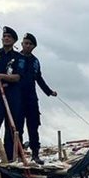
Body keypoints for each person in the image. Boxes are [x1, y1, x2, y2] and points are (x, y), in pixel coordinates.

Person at [0, 26, 25, 161]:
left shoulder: (18, 57)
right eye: (5, 36)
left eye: (9, 37)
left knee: (11, 124)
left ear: (14, 41)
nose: (6, 39)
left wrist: (1, 76)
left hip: (12, 93)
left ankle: (9, 156)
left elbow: (17, 77)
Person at [19, 32, 57, 164]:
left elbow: (39, 78)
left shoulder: (35, 61)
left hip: (31, 98)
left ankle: (35, 154)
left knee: (33, 126)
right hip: (17, 97)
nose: (27, 46)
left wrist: (49, 91)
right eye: (25, 43)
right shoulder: (16, 58)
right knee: (17, 127)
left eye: (30, 44)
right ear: (22, 44)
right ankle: (18, 154)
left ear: (34, 46)